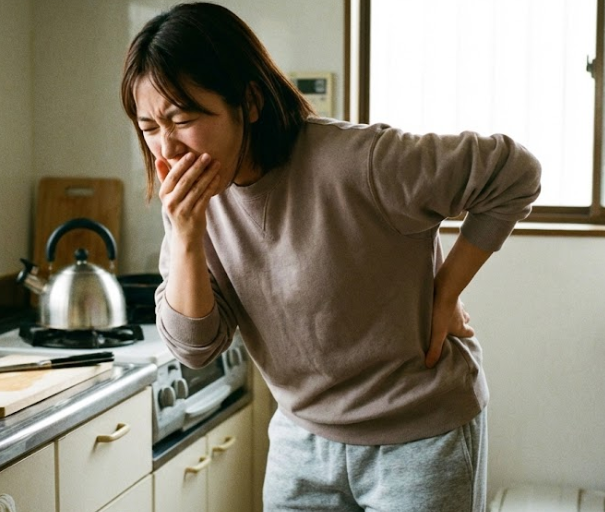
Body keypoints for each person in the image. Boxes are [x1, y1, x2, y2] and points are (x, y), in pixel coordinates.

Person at [121, 3, 541, 511]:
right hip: (301, 440)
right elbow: (194, 348)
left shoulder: (359, 162)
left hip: (421, 436)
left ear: (249, 102)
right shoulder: (189, 205)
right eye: (149, 127)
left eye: (183, 119)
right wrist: (187, 235)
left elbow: (514, 172)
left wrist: (444, 292)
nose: (168, 149)